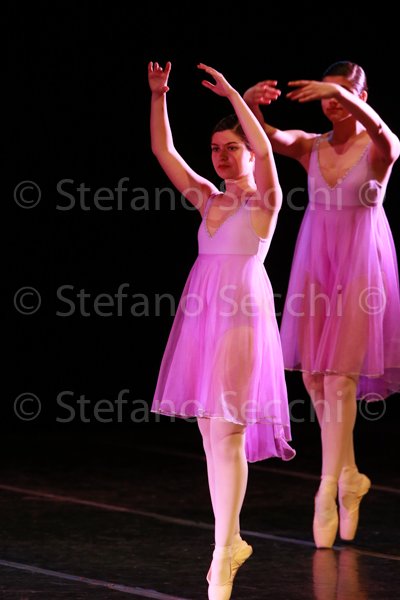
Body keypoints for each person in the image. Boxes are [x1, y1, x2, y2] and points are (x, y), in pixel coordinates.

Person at [149, 60, 295, 599]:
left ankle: (221, 552)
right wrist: (159, 97)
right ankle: (228, 541)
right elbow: (164, 152)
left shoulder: (265, 202)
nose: (222, 156)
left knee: (228, 428)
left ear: (251, 152)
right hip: (201, 318)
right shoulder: (207, 198)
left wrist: (236, 96)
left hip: (240, 317)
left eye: (232, 148)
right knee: (210, 434)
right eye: (215, 149)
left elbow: (269, 159)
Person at [244, 61, 400, 548]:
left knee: (341, 377)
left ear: (361, 96)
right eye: (326, 92)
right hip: (317, 266)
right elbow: (264, 139)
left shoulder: (380, 148)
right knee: (314, 376)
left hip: (361, 269)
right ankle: (350, 474)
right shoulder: (311, 147)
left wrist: (342, 93)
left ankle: (326, 488)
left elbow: (382, 131)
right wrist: (247, 103)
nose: (331, 100)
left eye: (343, 93)